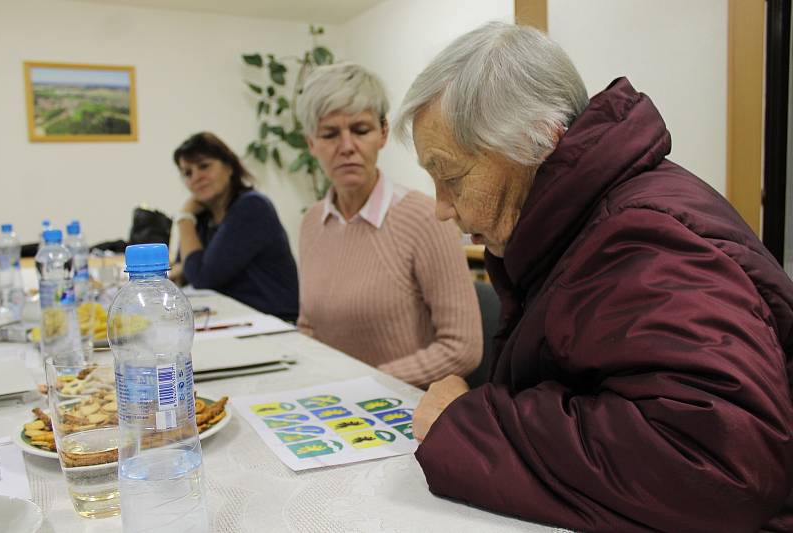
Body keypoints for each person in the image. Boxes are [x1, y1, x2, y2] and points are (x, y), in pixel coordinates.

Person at [395, 22, 793, 532]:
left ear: (537, 142)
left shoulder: (640, 239)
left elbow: (721, 461)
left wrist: (469, 427)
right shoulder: (576, 227)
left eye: (451, 177)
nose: (442, 208)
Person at [296, 63, 482, 388]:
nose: (347, 146)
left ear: (382, 133)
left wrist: (367, 383)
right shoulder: (312, 223)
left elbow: (462, 348)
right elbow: (310, 327)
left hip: (402, 408)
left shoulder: (425, 218)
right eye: (329, 134)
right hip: (330, 405)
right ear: (311, 143)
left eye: (360, 130)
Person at [171, 132, 299, 321]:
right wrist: (187, 267)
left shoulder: (252, 207)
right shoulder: (204, 216)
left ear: (229, 166)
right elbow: (184, 269)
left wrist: (184, 217)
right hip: (232, 319)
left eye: (204, 166)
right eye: (187, 173)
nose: (196, 177)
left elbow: (202, 279)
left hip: (273, 322)